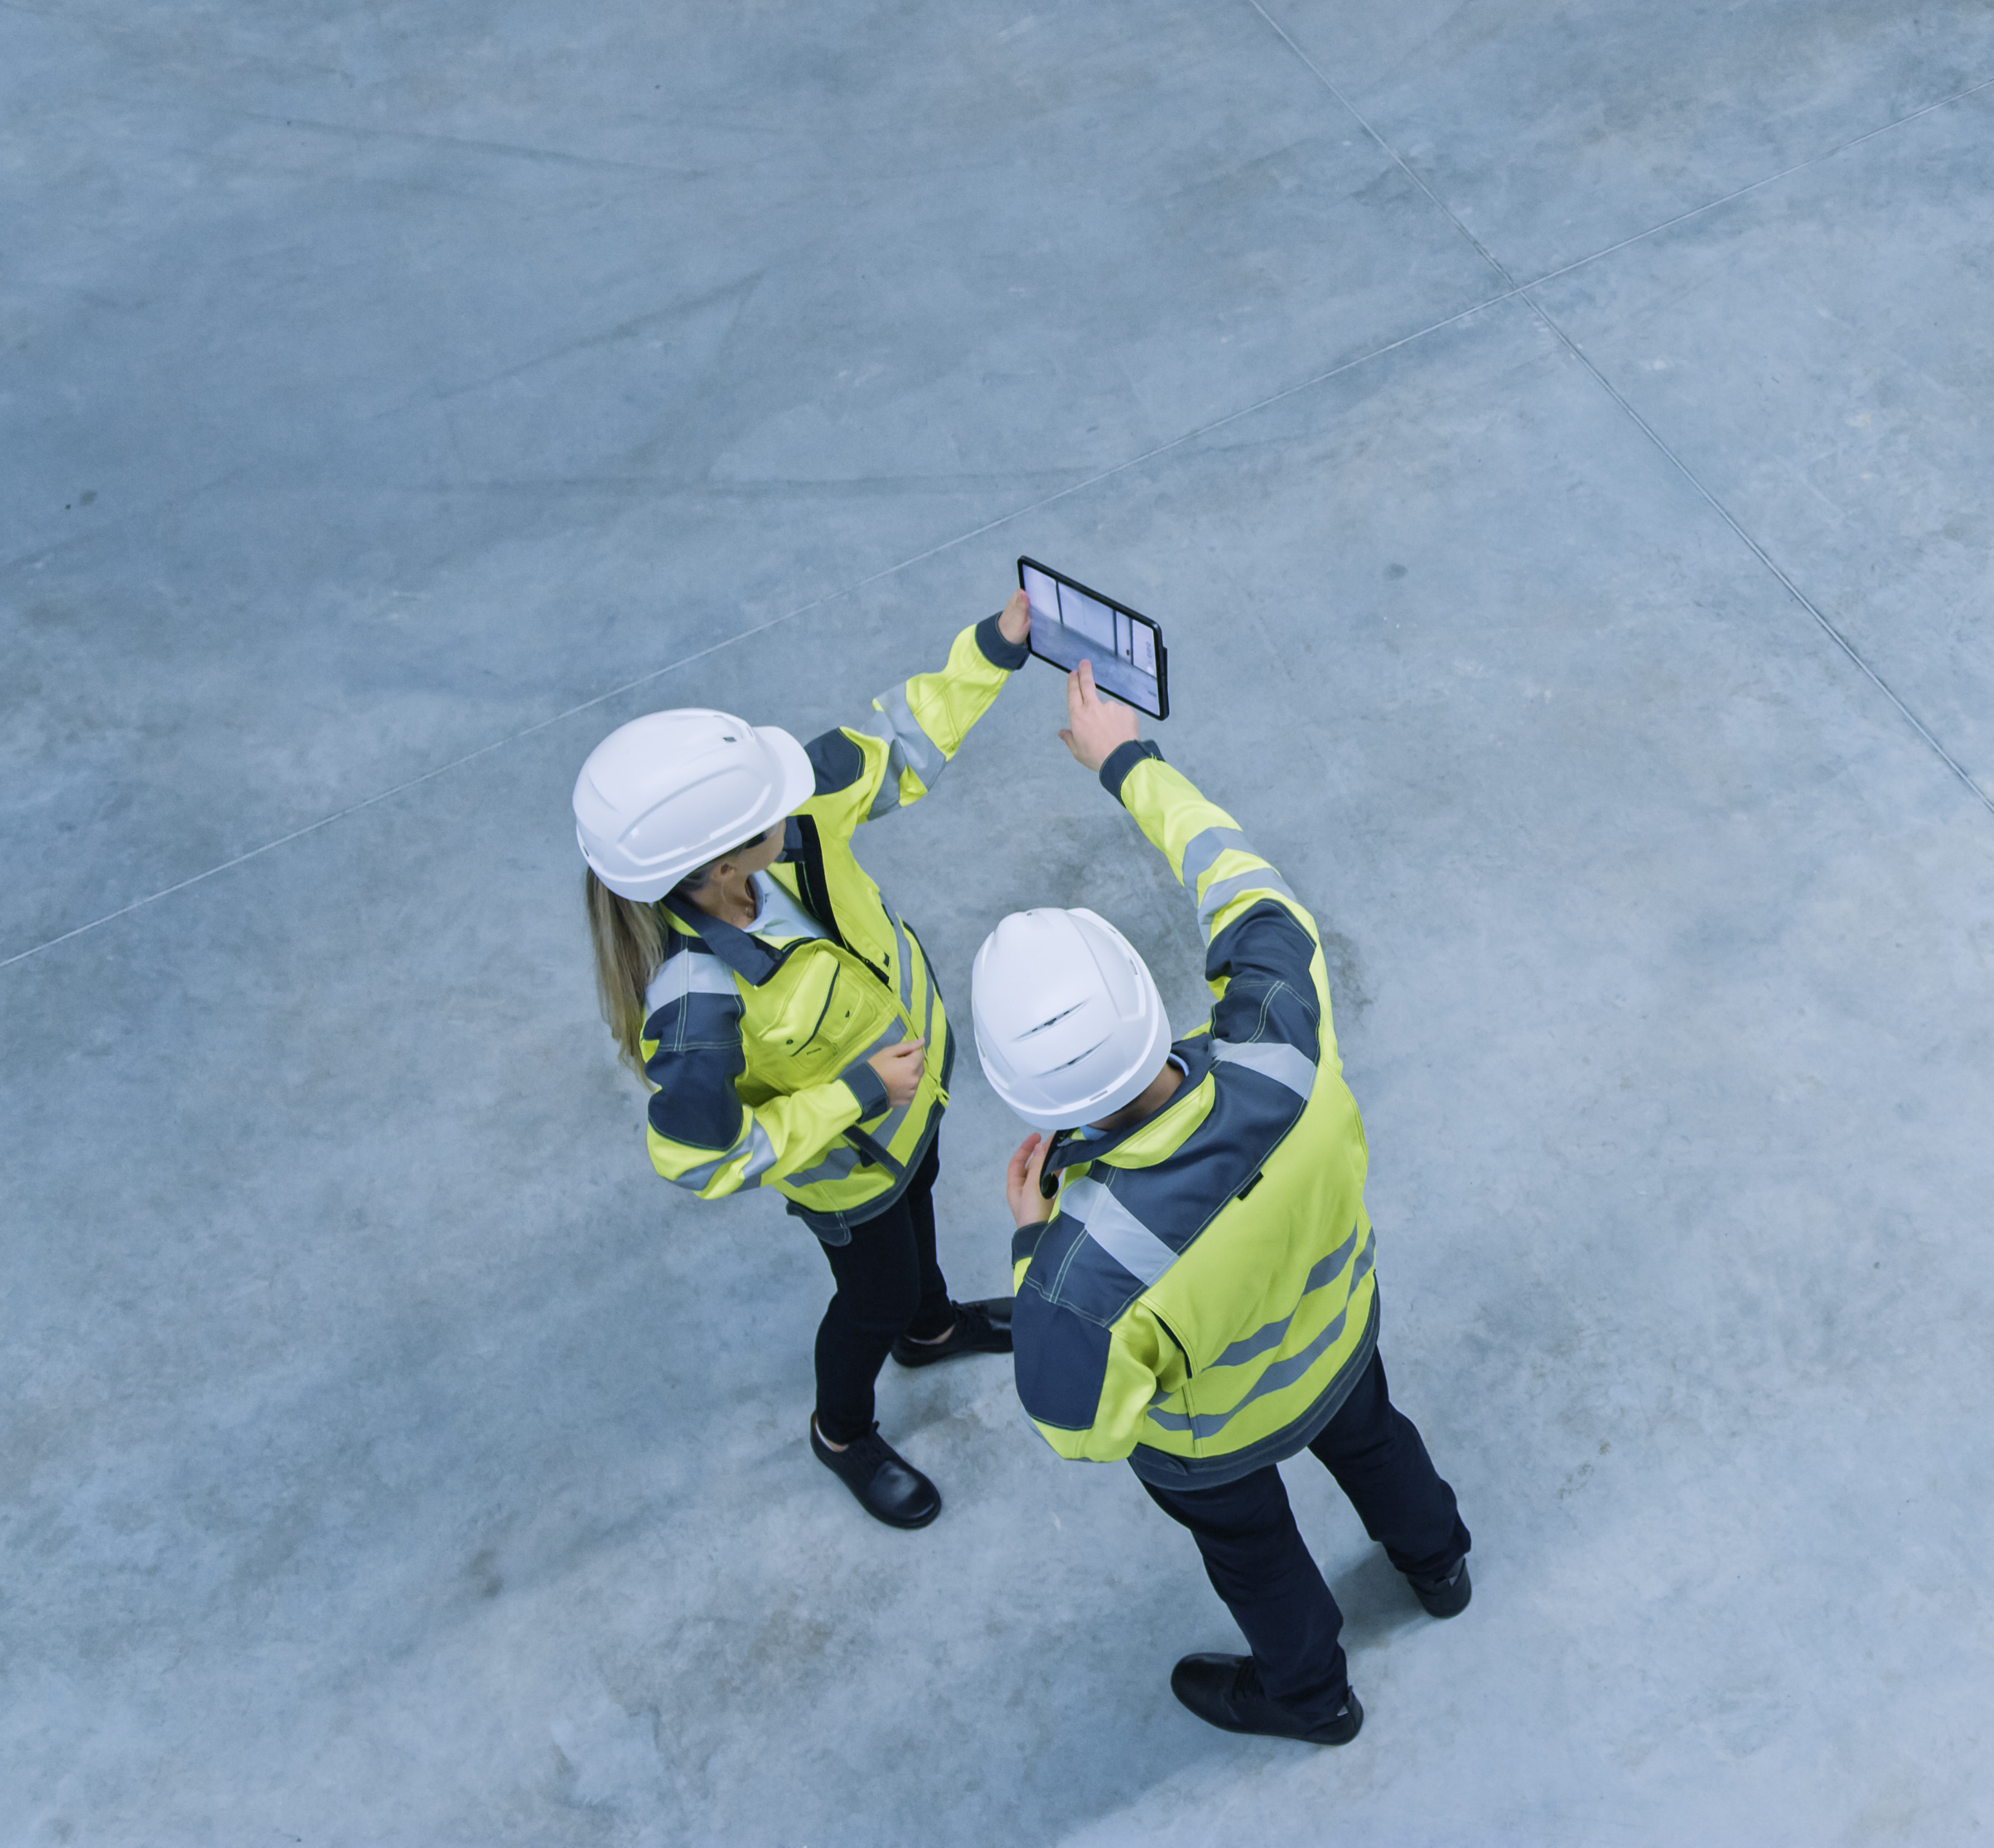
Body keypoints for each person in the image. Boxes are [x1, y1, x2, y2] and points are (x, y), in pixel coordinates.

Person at [968, 661, 1472, 1744]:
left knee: (1256, 1554)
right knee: (1378, 1442)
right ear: (1150, 1002)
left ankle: (1313, 1696)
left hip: (1219, 1443)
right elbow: (1247, 883)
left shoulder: (1077, 1271)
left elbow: (1077, 1426)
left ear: (1029, 1104)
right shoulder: (1282, 1037)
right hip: (1338, 1340)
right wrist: (1124, 761)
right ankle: (1439, 1564)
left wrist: (1028, 1249)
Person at [572, 591, 1036, 1527]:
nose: (793, 800)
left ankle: (932, 1328)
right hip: (843, 1167)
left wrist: (990, 649)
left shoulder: (782, 819)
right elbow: (701, 1158)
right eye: (766, 812)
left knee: (923, 1208)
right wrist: (858, 1092)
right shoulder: (695, 1006)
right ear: (715, 869)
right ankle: (842, 1428)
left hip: (915, 1103)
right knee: (871, 1295)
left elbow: (897, 743)